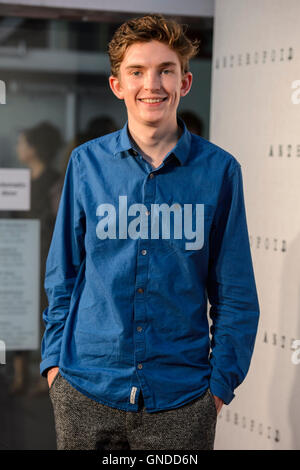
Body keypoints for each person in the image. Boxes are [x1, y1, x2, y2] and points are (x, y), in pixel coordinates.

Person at [40, 14, 260, 450]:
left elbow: (235, 293)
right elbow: (62, 276)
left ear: (186, 82)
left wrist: (217, 390)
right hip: (85, 389)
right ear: (117, 85)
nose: (152, 84)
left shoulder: (220, 172)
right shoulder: (85, 164)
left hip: (183, 399)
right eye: (136, 72)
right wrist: (54, 370)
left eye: (166, 70)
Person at [11, 121, 63, 394]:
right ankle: (20, 375)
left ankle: (45, 375)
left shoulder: (56, 182)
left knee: (46, 315)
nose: (18, 148)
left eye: (22, 142)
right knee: (19, 313)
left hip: (45, 259)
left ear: (33, 148)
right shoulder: (19, 183)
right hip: (21, 256)